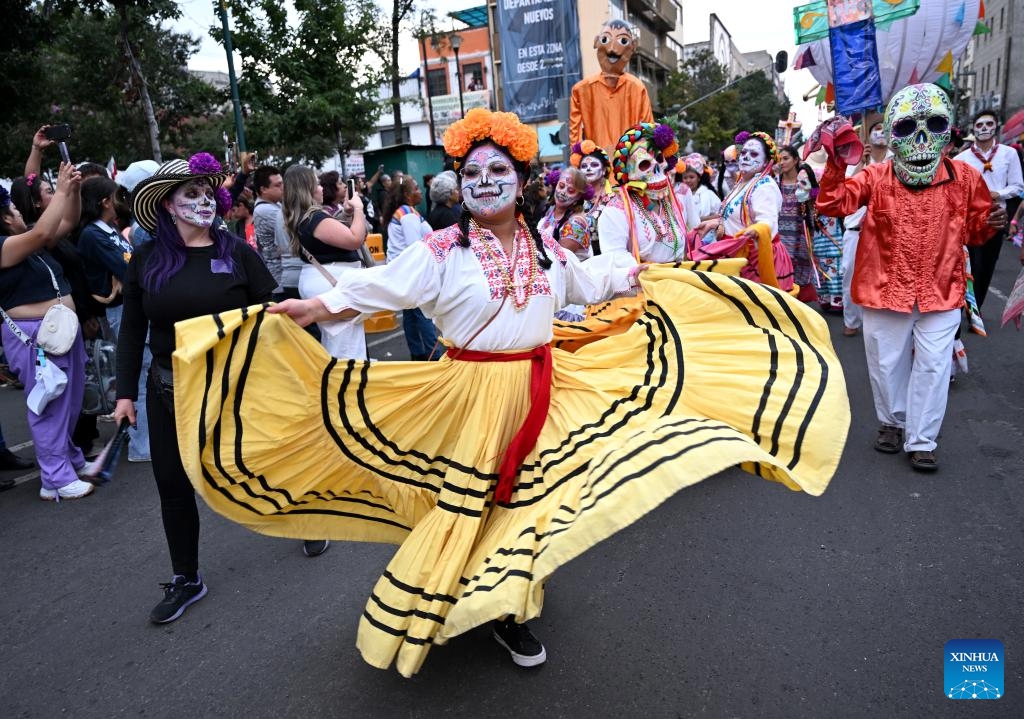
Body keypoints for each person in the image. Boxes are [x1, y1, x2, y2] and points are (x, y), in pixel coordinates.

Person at [165, 106, 849, 678]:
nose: (484, 181)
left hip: (545, 387)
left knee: (534, 506)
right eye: (472, 172)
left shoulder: (545, 248)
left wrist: (633, 272)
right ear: (458, 182)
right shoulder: (440, 251)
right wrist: (317, 309)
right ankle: (476, 605)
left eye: (499, 171)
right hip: (471, 396)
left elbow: (585, 281)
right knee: (475, 509)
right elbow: (381, 286)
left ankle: (513, 609)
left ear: (521, 180)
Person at [112, 154, 279, 623]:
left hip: (233, 385)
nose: (204, 199)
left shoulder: (235, 252)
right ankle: (186, 576)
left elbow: (272, 310)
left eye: (208, 192)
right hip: (169, 388)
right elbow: (131, 331)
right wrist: (125, 395)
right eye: (191, 193)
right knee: (171, 482)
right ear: (167, 205)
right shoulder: (147, 258)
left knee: (259, 463)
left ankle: (301, 520)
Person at [814, 84, 1004, 472]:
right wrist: (835, 163)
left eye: (932, 125)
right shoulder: (875, 176)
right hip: (884, 291)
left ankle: (922, 440)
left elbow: (977, 229)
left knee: (934, 368)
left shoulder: (966, 178)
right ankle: (891, 422)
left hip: (942, 291)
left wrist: (992, 223)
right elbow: (833, 203)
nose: (919, 138)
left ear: (947, 130)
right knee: (886, 366)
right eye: (905, 128)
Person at [0, 163, 93, 501]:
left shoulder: (25, 243)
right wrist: (63, 189)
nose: (17, 210)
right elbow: (42, 233)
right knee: (49, 406)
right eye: (12, 208)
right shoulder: (7, 247)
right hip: (34, 337)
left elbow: (66, 221)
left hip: (60, 333)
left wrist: (75, 191)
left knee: (69, 403)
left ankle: (68, 460)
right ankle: (54, 479)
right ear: (6, 218)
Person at [282, 164, 367, 360]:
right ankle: (347, 386)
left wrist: (346, 213)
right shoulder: (314, 217)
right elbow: (354, 239)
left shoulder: (303, 217)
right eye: (318, 183)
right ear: (308, 188)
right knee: (346, 348)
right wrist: (359, 209)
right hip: (330, 282)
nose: (322, 188)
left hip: (321, 280)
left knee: (337, 342)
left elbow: (336, 234)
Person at [692, 131, 795, 291]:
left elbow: (768, 222)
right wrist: (715, 223)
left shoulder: (764, 186)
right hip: (736, 255)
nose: (746, 157)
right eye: (744, 152)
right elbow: (736, 217)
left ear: (766, 161)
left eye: (754, 154)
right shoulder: (744, 182)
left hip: (755, 259)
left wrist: (757, 229)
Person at [954, 109, 1024, 308]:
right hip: (969, 218)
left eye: (989, 124)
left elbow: (1018, 186)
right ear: (973, 129)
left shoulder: (1009, 154)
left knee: (986, 266)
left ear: (996, 127)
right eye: (979, 125)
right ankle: (963, 305)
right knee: (968, 263)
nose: (984, 128)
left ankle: (976, 308)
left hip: (996, 217)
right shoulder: (962, 159)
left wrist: (998, 194)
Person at [839, 121, 892, 337]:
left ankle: (883, 320)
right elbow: (846, 192)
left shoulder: (897, 160)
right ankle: (851, 320)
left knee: (885, 276)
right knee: (849, 273)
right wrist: (862, 162)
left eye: (884, 128)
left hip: (885, 230)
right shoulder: (855, 161)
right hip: (856, 231)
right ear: (868, 135)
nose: (880, 132)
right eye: (875, 128)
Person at [569, 19, 653, 155]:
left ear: (632, 47)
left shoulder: (637, 88)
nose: (613, 48)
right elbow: (575, 133)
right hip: (598, 168)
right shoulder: (581, 90)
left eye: (623, 41)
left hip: (628, 167)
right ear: (596, 42)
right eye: (606, 39)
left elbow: (647, 129)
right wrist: (578, 157)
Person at [383, 176, 443, 360]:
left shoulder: (406, 212)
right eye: (416, 188)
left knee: (411, 314)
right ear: (407, 194)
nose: (420, 191)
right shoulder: (408, 214)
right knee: (421, 312)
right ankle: (434, 356)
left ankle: (418, 354)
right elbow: (415, 247)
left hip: (402, 271)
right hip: (410, 272)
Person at [776, 146, 817, 302]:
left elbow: (814, 204)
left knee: (801, 270)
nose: (782, 162)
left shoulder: (804, 180)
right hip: (780, 234)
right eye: (780, 159)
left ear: (795, 160)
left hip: (800, 233)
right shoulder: (775, 181)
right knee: (782, 269)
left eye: (786, 158)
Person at [251, 165, 285, 296]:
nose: (282, 188)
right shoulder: (265, 210)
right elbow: (293, 230)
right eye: (278, 185)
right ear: (263, 189)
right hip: (279, 279)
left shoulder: (275, 204)